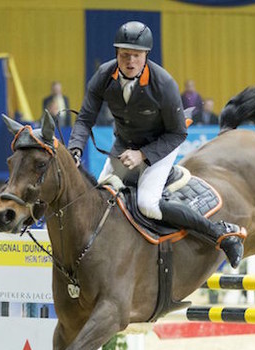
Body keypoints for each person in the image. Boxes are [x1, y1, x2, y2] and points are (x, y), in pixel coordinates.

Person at [68, 21, 244, 267]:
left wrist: (142, 155)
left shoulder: (163, 84)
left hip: (160, 146)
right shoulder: (104, 76)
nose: (130, 61)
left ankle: (221, 234)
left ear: (146, 55)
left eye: (136, 56)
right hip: (123, 144)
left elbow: (177, 134)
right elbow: (85, 118)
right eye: (124, 55)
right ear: (116, 54)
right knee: (101, 198)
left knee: (147, 204)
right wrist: (74, 149)